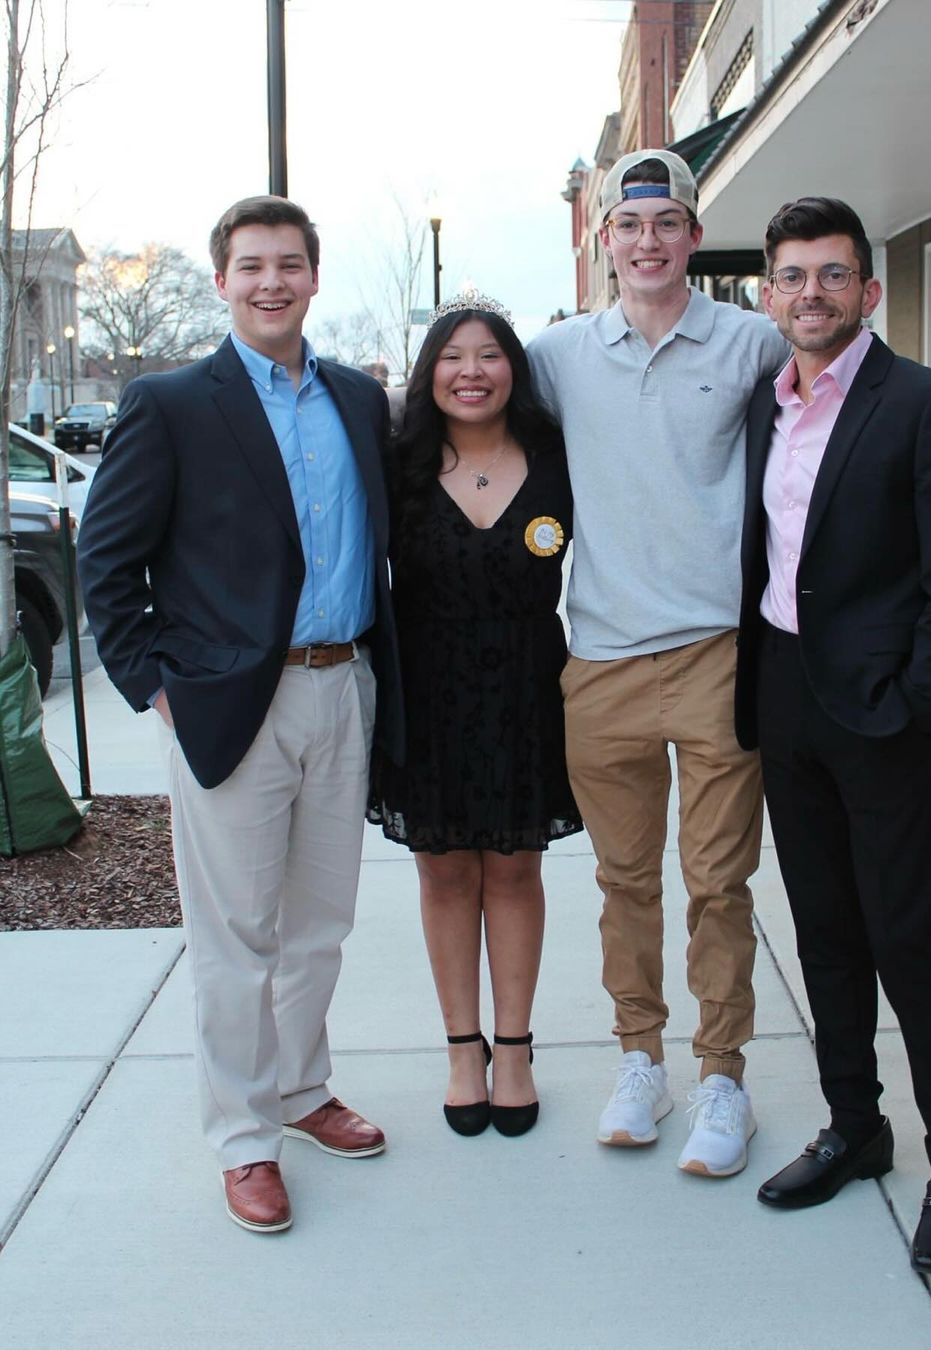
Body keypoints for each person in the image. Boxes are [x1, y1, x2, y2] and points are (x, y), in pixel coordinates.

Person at [526, 149, 931, 1179]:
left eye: (668, 223)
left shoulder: (750, 342)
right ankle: (645, 1061)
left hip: (723, 656)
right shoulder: (557, 356)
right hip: (610, 659)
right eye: (628, 224)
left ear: (696, 238)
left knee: (726, 885)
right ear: (604, 240)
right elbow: (462, 408)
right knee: (632, 884)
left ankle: (727, 1077)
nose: (648, 241)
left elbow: (878, 412)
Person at [77, 195, 404, 1234]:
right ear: (223, 280)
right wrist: (157, 686)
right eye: (252, 265)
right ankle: (244, 1138)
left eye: (289, 263)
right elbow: (106, 560)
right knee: (234, 938)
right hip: (229, 703)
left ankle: (302, 1091)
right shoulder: (172, 403)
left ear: (314, 277)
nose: (272, 282)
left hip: (343, 686)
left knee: (320, 923)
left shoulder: (357, 398)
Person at [735, 197, 931, 1273]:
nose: (813, 294)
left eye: (833, 274)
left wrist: (921, 705)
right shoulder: (763, 403)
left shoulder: (927, 403)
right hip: (784, 696)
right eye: (794, 277)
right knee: (824, 932)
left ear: (869, 291)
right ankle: (856, 1125)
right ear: (769, 295)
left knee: (906, 940)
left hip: (882, 712)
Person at [368, 292, 582, 1138]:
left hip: (528, 688)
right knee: (446, 873)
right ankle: (464, 1048)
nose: (471, 372)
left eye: (489, 355)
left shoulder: (559, 453)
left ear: (513, 369)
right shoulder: (397, 462)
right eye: (452, 357)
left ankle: (516, 1049)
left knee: (517, 870)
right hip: (428, 693)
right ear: (428, 373)